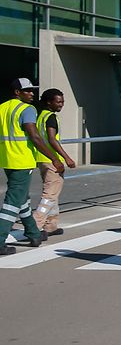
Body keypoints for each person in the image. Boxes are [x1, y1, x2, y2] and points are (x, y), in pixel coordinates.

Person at [0, 78, 64, 254]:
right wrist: (55, 159)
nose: (31, 94)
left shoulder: (2, 108)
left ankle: (33, 233)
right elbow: (35, 137)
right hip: (22, 160)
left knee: (22, 199)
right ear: (17, 92)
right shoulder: (27, 109)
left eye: (32, 90)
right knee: (13, 201)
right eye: (27, 91)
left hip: (7, 159)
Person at [33, 88, 76, 237]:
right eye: (58, 101)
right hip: (52, 160)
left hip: (42, 159)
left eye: (63, 101)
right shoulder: (50, 117)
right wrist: (66, 158)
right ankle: (35, 225)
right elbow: (52, 139)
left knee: (53, 193)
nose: (61, 104)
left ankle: (51, 226)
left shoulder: (41, 115)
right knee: (49, 195)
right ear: (49, 102)